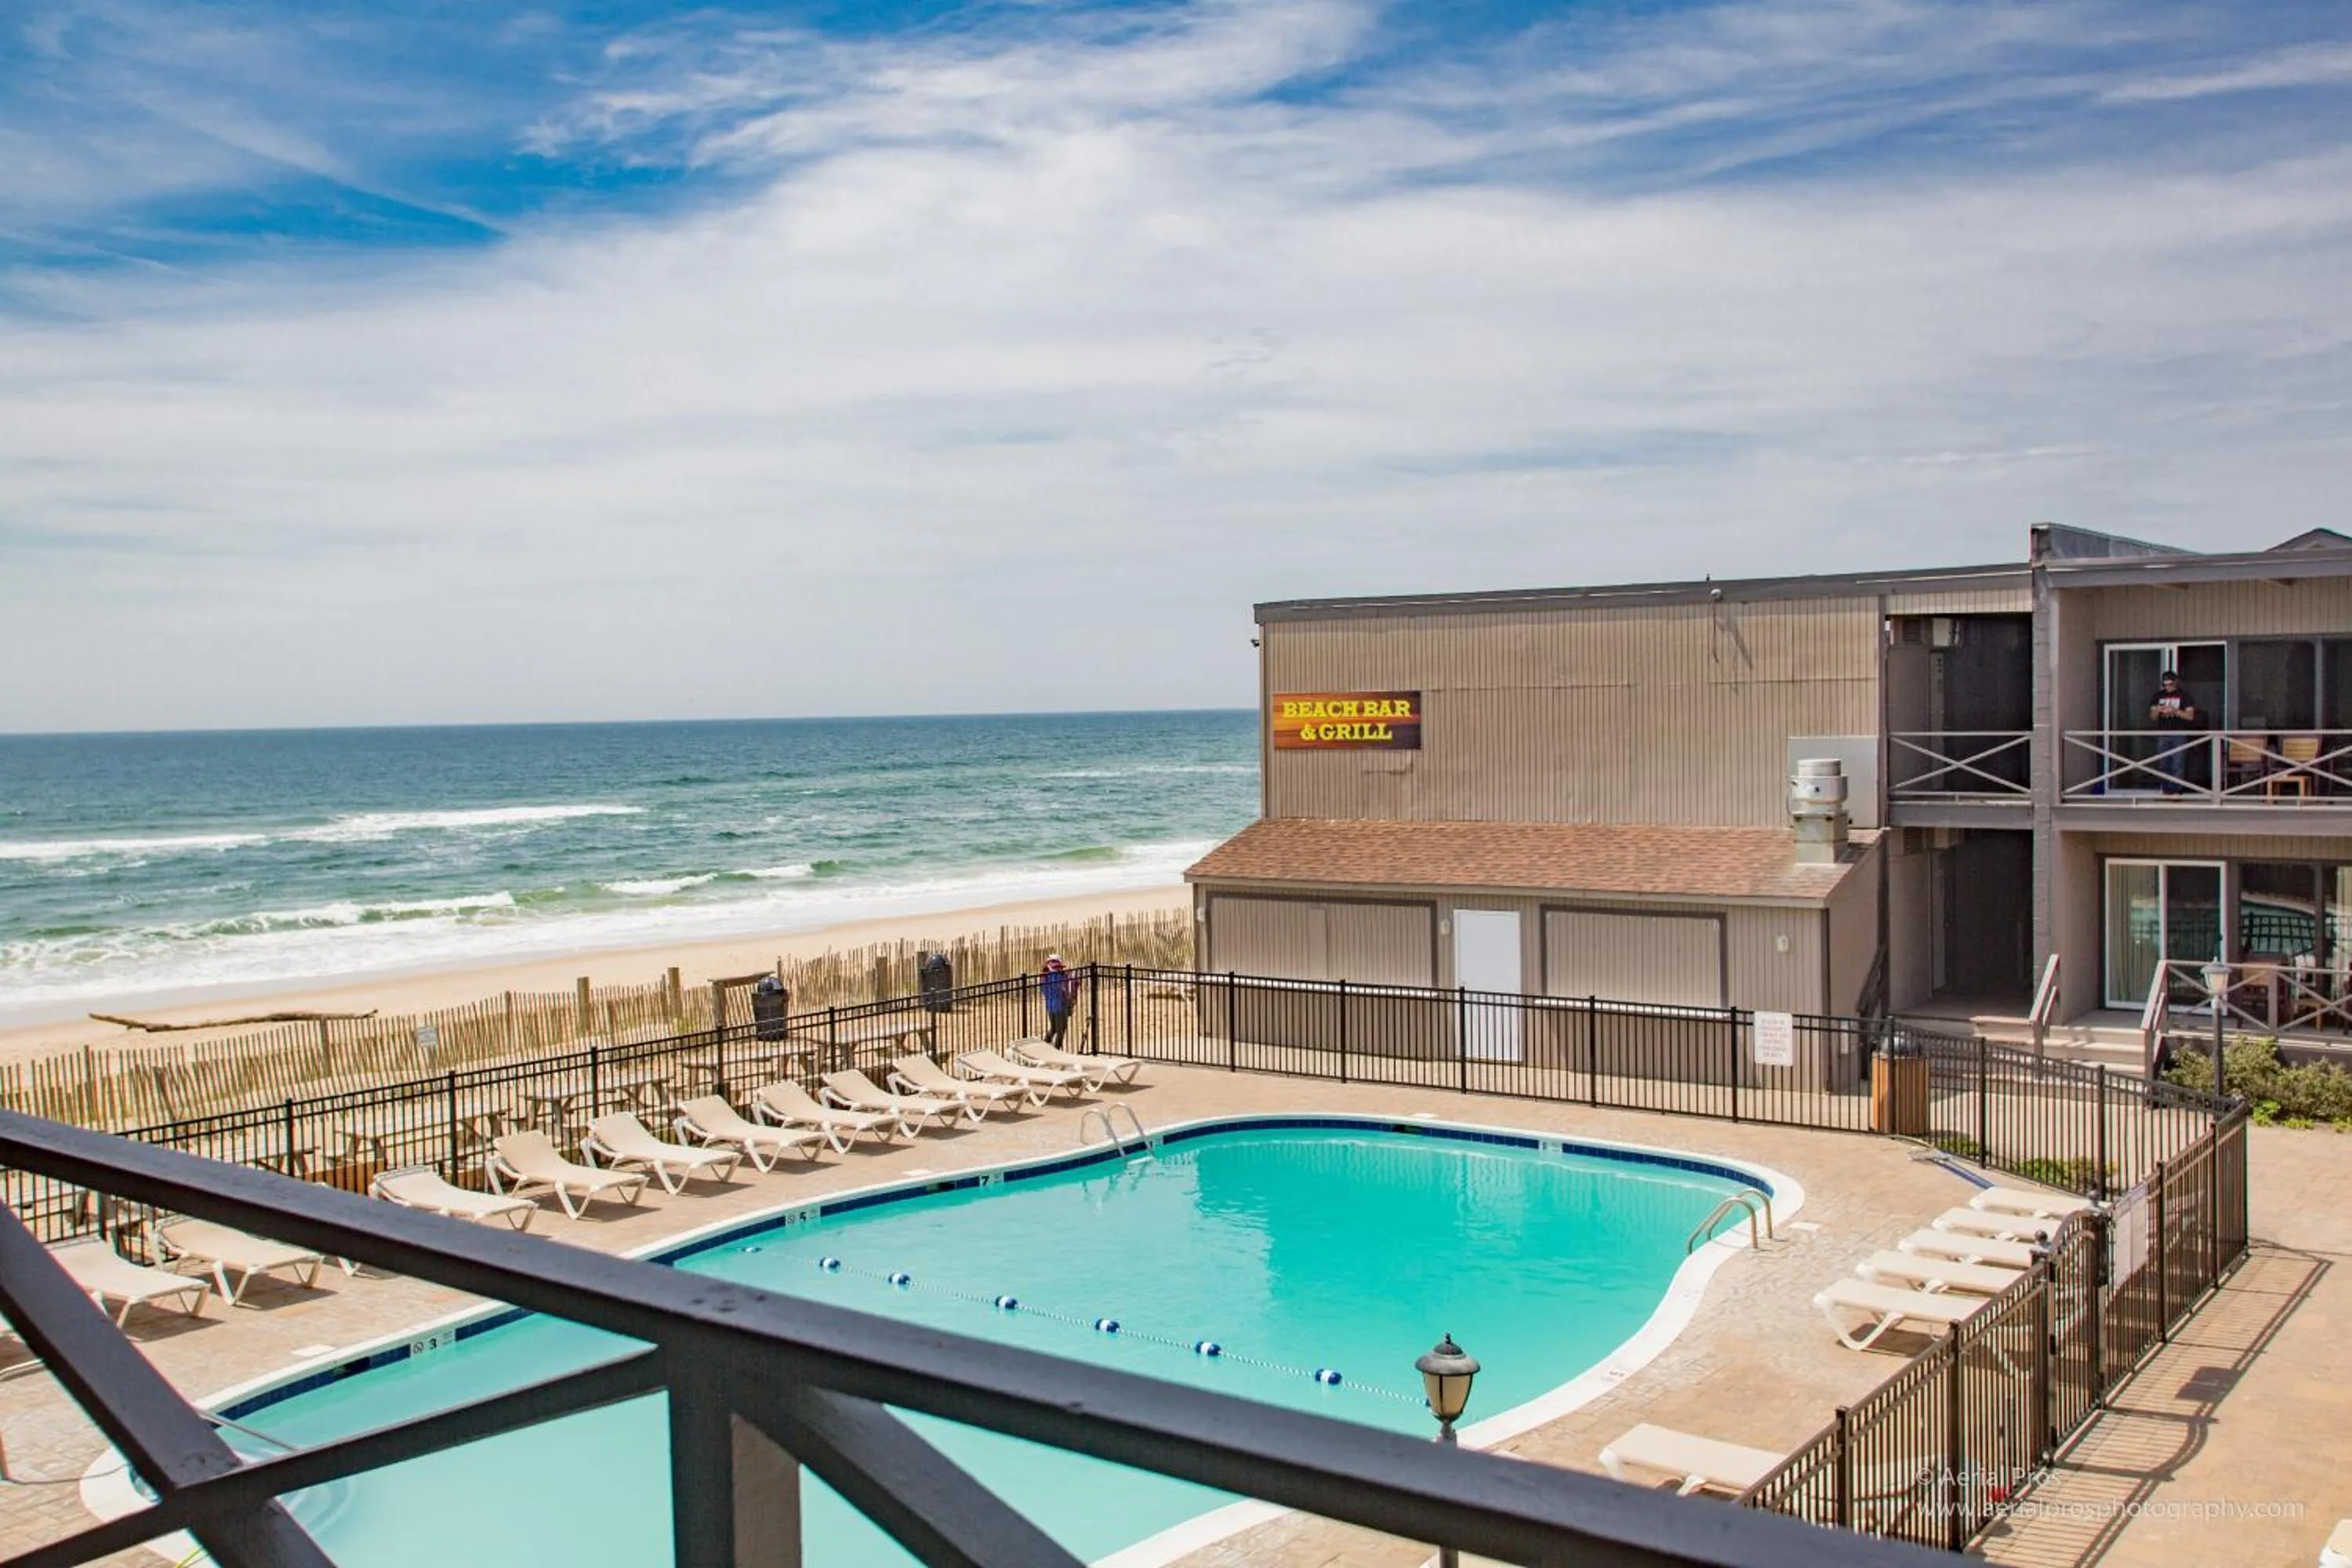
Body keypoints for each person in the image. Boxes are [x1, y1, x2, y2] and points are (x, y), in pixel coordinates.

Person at [2147, 671, 2200, 794]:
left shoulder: (2184, 696)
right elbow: (2152, 717)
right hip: (2163, 733)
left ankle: (2177, 791)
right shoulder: (2158, 696)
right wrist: (2158, 710)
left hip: (2179, 733)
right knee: (2163, 763)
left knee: (2178, 763)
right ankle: (2166, 790)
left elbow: (2190, 716)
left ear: (2176, 682)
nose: (2168, 687)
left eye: (2170, 684)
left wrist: (2175, 711)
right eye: (2165, 684)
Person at [1040, 953, 1076, 1048]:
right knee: (1060, 1030)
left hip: (1055, 1006)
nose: (1059, 968)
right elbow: (1062, 989)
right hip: (1059, 1006)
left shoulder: (1046, 976)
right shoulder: (1054, 976)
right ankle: (1056, 1049)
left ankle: (1047, 1043)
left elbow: (1045, 991)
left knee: (1056, 1028)